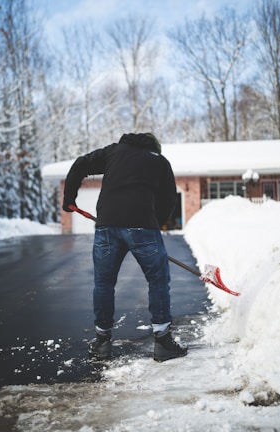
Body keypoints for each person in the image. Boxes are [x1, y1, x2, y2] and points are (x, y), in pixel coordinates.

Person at [62, 132, 187, 362]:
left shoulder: (113, 152)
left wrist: (69, 197)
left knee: (104, 283)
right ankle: (162, 342)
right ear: (155, 147)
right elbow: (169, 198)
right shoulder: (159, 161)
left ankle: (101, 342)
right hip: (143, 227)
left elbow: (80, 164)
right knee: (158, 280)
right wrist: (153, 223)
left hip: (107, 226)